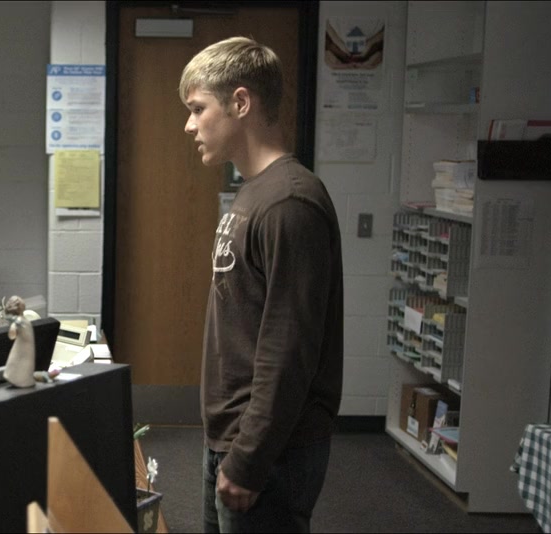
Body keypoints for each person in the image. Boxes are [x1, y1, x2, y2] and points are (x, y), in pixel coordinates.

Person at [180, 37, 345, 533]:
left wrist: (249, 458)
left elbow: (288, 347)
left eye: (198, 108)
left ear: (241, 102)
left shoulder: (289, 203)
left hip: (270, 453)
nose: (189, 125)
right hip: (235, 439)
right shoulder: (254, 193)